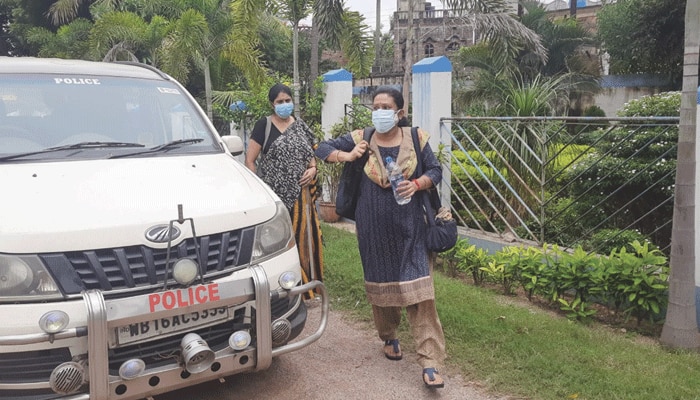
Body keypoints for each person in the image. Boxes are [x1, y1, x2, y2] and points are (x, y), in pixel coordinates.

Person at [314, 86, 447, 389]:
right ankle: (389, 336)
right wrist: (347, 154)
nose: (379, 111)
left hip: (411, 227)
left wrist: (417, 184)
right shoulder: (363, 137)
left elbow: (436, 171)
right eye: (375, 106)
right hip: (372, 226)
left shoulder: (416, 138)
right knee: (382, 284)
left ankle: (429, 361)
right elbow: (320, 148)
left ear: (399, 112)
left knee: (420, 291)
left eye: (386, 106)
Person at [245, 83, 324, 294]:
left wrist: (313, 168)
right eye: (280, 102)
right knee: (277, 242)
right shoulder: (264, 125)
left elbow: (313, 153)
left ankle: (306, 285)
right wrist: (258, 191)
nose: (284, 105)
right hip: (273, 196)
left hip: (301, 195)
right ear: (272, 104)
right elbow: (250, 161)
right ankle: (277, 286)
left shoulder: (299, 125)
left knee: (303, 240)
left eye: (287, 101)